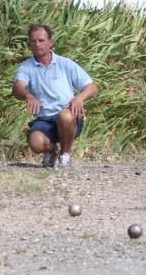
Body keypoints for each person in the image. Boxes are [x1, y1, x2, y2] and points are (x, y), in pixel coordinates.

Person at [12, 24, 98, 168]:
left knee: (65, 116)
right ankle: (52, 151)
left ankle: (65, 156)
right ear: (30, 44)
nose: (37, 44)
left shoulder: (66, 64)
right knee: (35, 143)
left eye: (41, 40)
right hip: (45, 120)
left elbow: (92, 87)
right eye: (33, 41)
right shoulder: (26, 67)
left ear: (50, 42)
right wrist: (28, 96)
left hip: (68, 118)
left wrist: (79, 98)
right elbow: (17, 87)